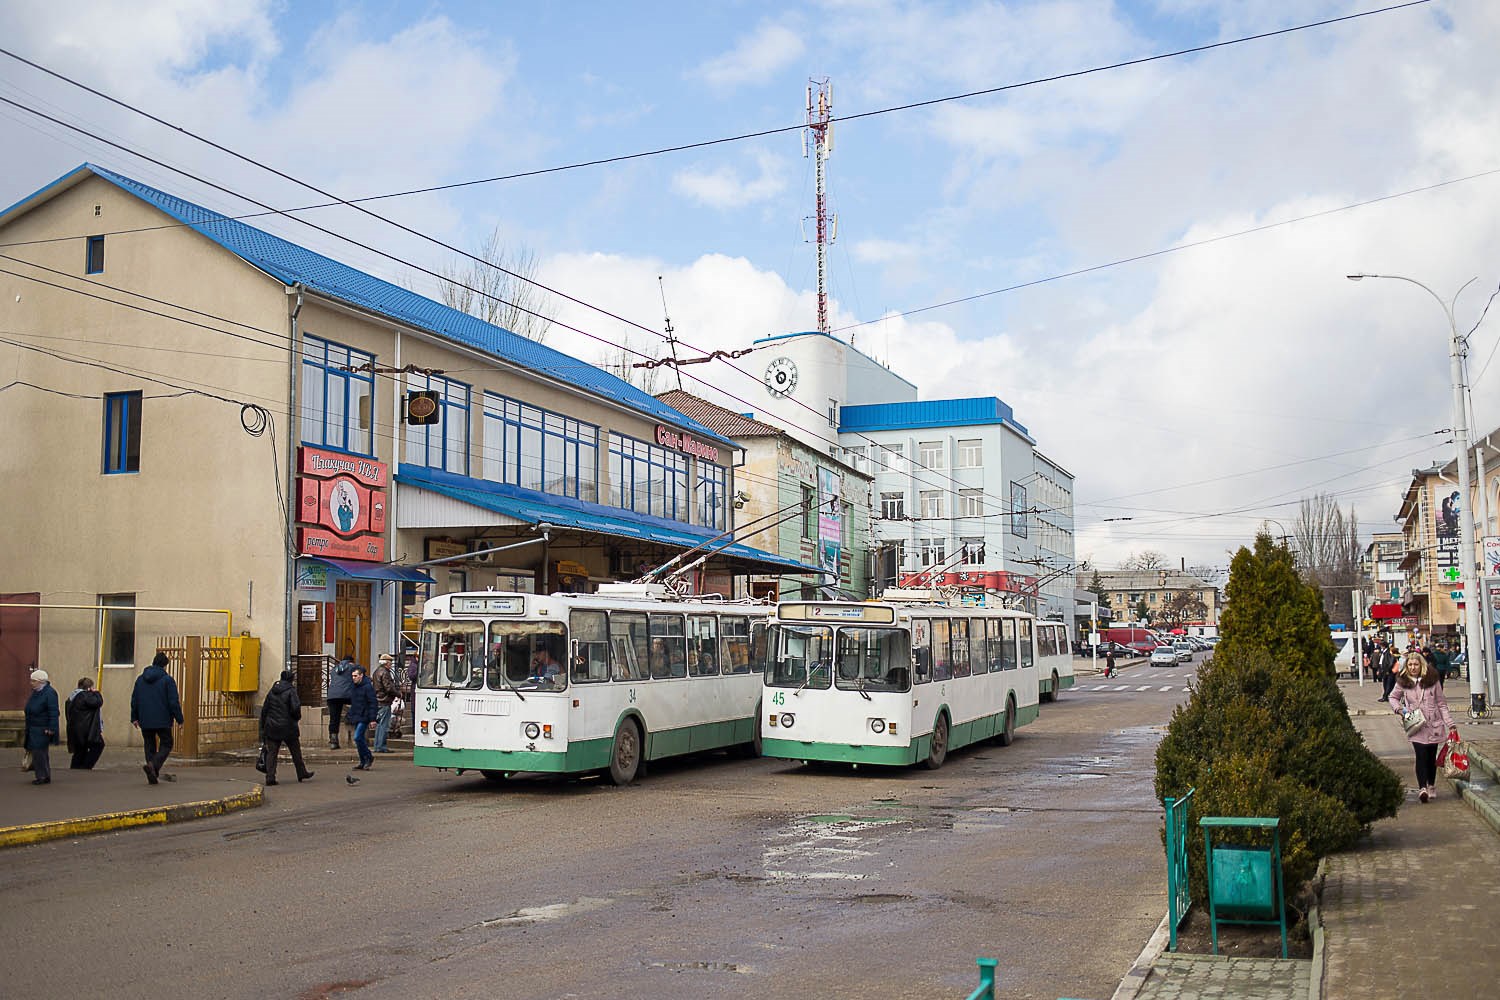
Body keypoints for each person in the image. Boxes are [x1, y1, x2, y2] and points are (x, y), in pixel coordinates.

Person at [1389, 650, 1457, 803]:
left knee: (1430, 757)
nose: (1413, 667)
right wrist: (1400, 709)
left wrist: (1450, 723)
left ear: (1422, 665)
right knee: (1420, 755)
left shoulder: (1432, 680)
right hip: (1415, 723)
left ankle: (1431, 784)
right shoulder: (1403, 681)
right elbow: (1393, 697)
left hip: (1433, 724)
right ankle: (1422, 788)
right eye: (1410, 664)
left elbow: (1441, 703)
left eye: (1416, 664)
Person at [131, 650, 183, 785]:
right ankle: (153, 765)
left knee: (149, 745)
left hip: (145, 719)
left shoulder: (140, 679)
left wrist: (134, 717)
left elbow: (135, 699)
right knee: (167, 743)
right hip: (163, 719)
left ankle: (152, 771)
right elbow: (173, 701)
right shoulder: (168, 680)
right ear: (165, 666)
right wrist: (179, 719)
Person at [259, 669, 313, 785]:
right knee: (295, 751)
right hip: (288, 726)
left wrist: (263, 727)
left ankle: (270, 777)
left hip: (272, 726)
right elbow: (295, 708)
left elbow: (265, 709)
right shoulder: (291, 691)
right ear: (291, 679)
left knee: (272, 753)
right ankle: (301, 772)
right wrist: (296, 718)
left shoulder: (272, 690)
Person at [24, 669, 59, 786]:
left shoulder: (50, 693)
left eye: (33, 681)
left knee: (39, 752)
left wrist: (51, 728)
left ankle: (42, 776)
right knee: (38, 752)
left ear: (40, 681)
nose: (31, 683)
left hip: (42, 728)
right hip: (33, 727)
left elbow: (53, 712)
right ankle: (43, 774)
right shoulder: (36, 692)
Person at [65, 676, 105, 769]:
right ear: (89, 688)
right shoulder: (84, 696)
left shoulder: (72, 697)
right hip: (86, 729)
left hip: (75, 728)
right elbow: (98, 702)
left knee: (80, 750)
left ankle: (75, 768)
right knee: (98, 745)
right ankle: (85, 767)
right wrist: (97, 693)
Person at [346, 665, 377, 771]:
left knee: (357, 737)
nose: (353, 678)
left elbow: (373, 703)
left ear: (361, 676)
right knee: (359, 740)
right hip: (357, 715)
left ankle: (368, 757)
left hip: (364, 716)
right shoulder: (354, 686)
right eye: (352, 676)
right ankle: (363, 761)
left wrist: (373, 719)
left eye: (355, 676)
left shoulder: (368, 687)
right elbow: (353, 702)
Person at [326, 652, 356, 749]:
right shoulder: (352, 668)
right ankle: (350, 717)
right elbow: (362, 671)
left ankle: (333, 741)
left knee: (334, 719)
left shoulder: (334, 669)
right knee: (359, 703)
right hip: (347, 694)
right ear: (351, 662)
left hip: (332, 696)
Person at [371, 653, 399, 754]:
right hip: (384, 700)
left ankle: (377, 746)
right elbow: (388, 687)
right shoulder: (385, 672)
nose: (391, 665)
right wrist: (398, 694)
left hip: (378, 700)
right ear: (386, 663)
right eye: (390, 662)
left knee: (379, 725)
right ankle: (381, 746)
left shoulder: (376, 671)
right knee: (383, 725)